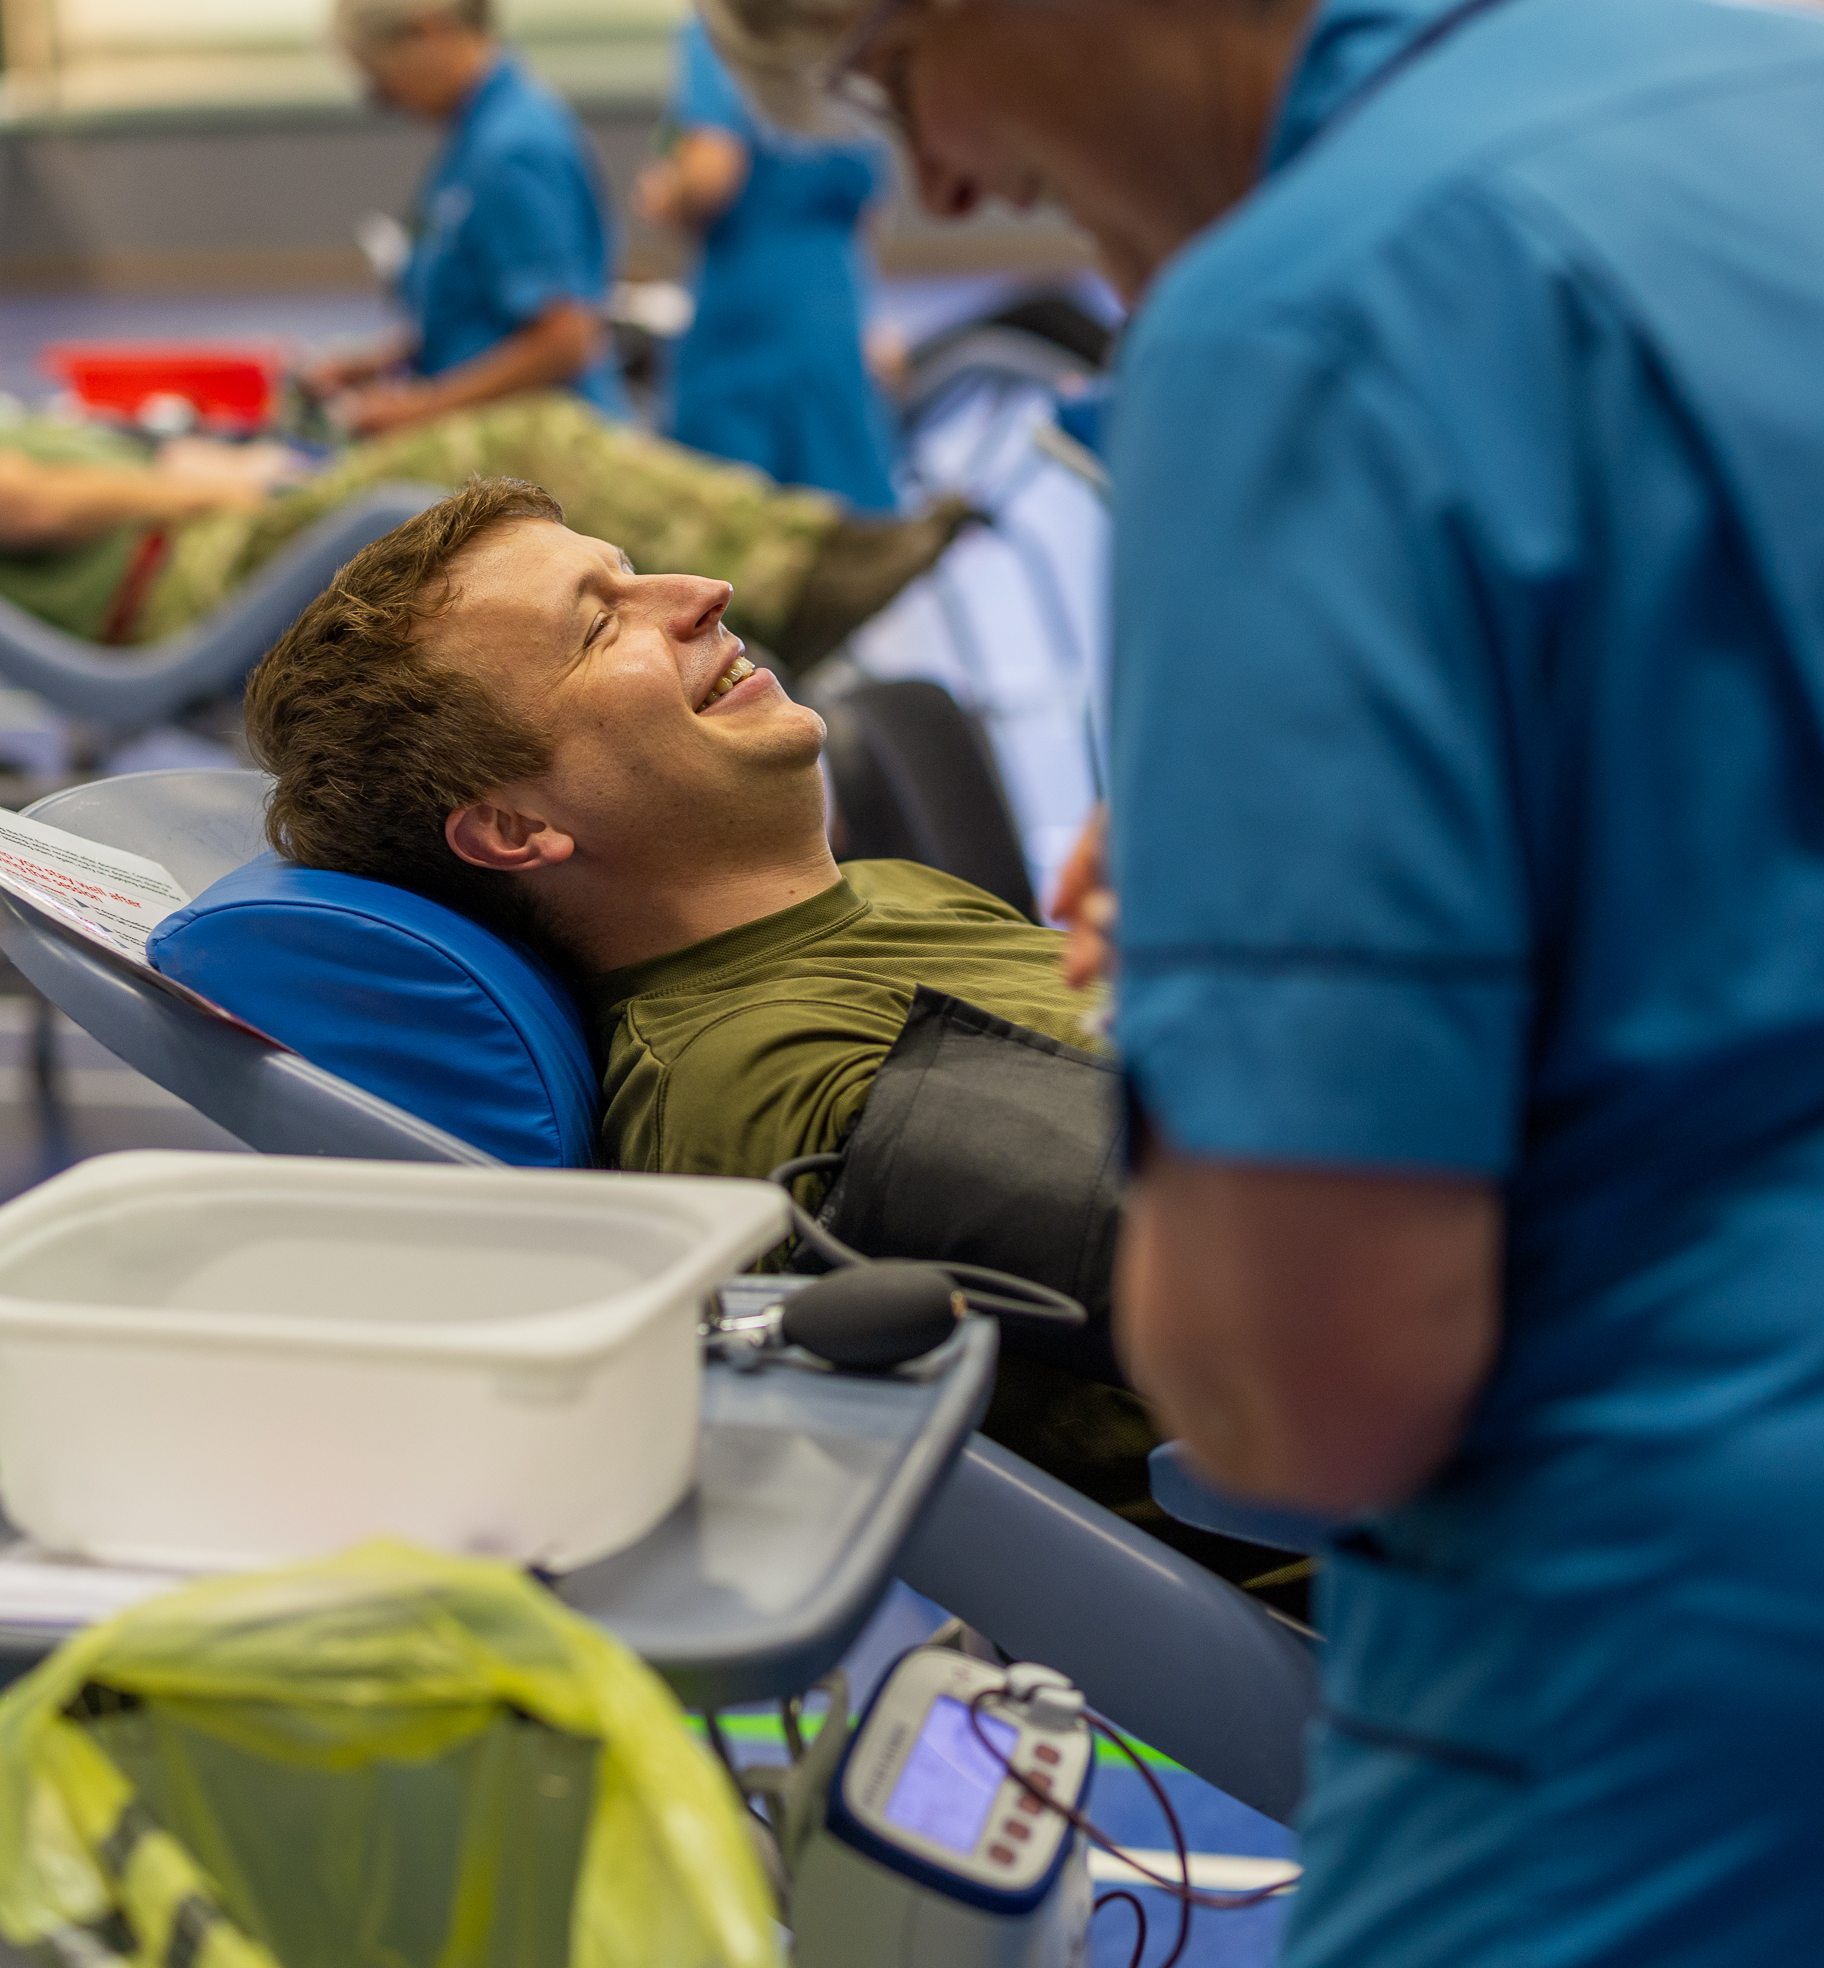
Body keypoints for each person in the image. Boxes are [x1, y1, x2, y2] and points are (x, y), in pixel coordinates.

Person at [701, 0, 1824, 1963]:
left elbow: (1311, 1391)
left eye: (892, 76)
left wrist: (1215, 993)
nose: (941, 181)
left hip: (1798, 1721)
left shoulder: (1307, 322)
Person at [241, 476, 1312, 1598]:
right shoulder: (773, 1081)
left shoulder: (876, 899)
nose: (704, 590)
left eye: (632, 571)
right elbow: (1328, 1284)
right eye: (601, 625)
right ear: (516, 825)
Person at [0, 256, 961, 666]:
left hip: (214, 534)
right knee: (517, 439)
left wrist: (211, 461)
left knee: (518, 448)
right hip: (187, 579)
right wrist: (204, 481)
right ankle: (798, 572)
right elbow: (26, 506)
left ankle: (804, 557)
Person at [308, 0, 631, 436]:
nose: (385, 100)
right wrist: (380, 364)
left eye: (382, 78)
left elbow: (565, 339)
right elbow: (479, 315)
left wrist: (420, 410)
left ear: (427, 30)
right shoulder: (476, 141)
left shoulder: (514, 149)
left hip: (542, 442)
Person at [633, 16, 901, 510]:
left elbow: (712, 173)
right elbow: (868, 203)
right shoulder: (846, 19)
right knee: (841, 507)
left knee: (732, 512)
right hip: (836, 302)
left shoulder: (727, 26)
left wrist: (669, 196)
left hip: (751, 302)